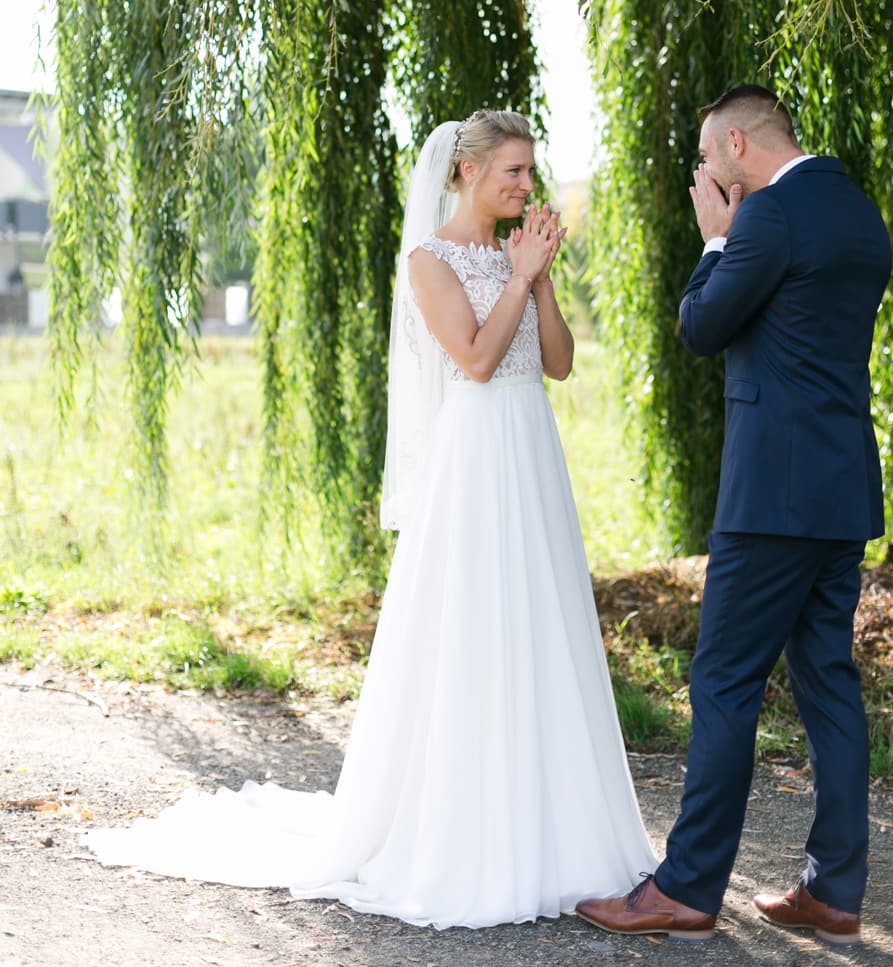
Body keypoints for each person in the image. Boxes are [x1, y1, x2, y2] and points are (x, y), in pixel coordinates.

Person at [86, 109, 655, 928]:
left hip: (533, 453)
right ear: (466, 173)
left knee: (543, 627)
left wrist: (542, 274)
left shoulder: (515, 254)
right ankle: (471, 830)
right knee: (476, 631)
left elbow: (557, 363)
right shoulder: (429, 261)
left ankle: (562, 826)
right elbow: (477, 358)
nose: (527, 186)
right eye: (514, 173)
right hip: (476, 457)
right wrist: (522, 276)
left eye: (531, 173)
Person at [575, 85, 892, 945]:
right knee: (829, 686)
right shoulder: (859, 212)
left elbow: (702, 323)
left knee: (722, 684)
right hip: (840, 493)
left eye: (711, 158)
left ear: (742, 147)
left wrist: (716, 236)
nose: (707, 173)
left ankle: (684, 886)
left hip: (770, 504)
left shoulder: (767, 218)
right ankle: (834, 888)